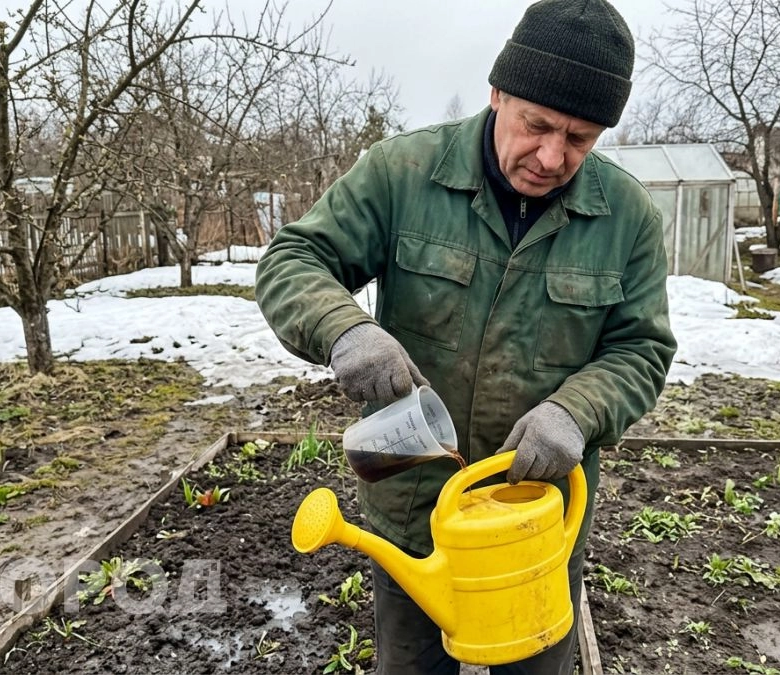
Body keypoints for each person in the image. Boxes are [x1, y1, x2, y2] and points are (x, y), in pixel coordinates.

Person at [256, 1, 676, 672]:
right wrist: (345, 329)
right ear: (497, 92)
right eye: (536, 125)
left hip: (535, 523)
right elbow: (292, 261)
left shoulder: (626, 218)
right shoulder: (403, 174)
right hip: (417, 515)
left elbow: (641, 348)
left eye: (579, 138)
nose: (551, 155)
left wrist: (578, 408)